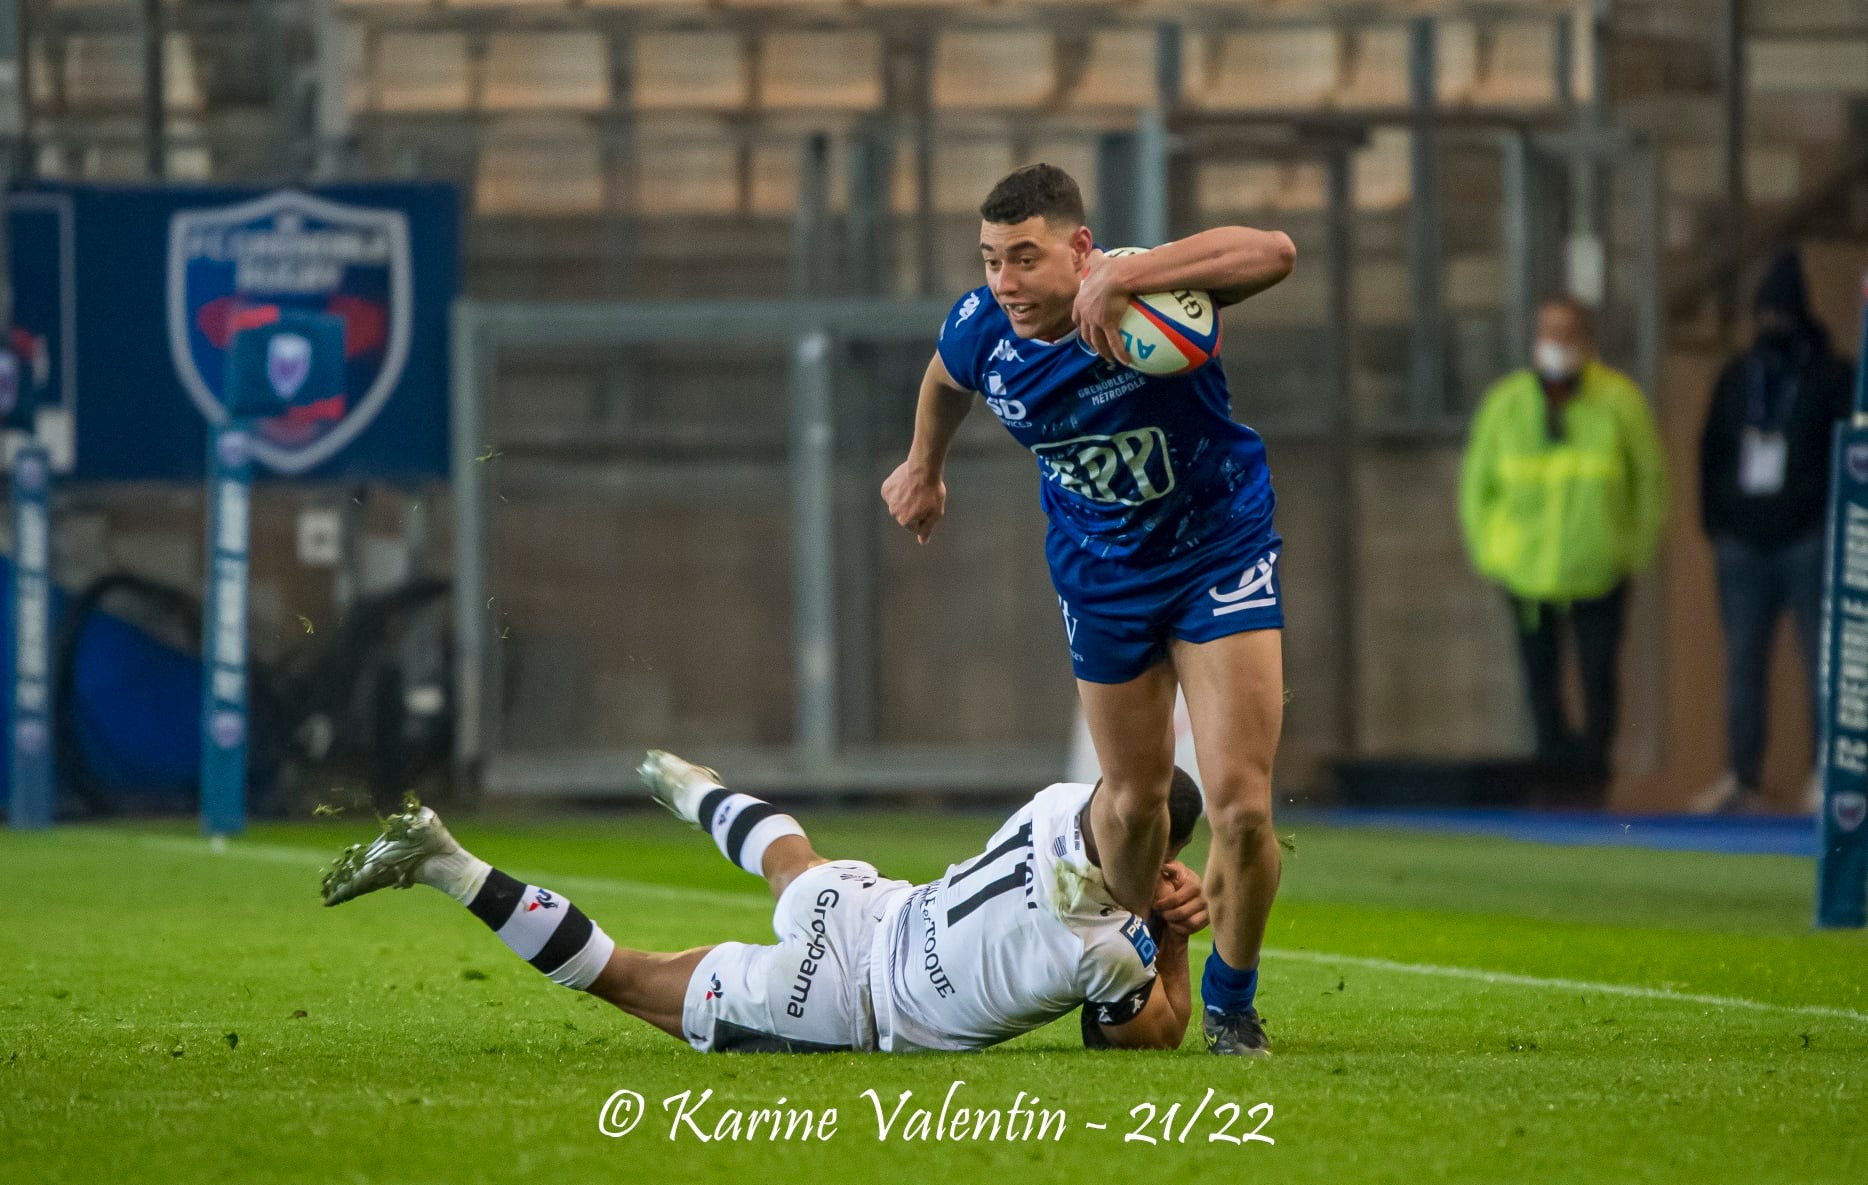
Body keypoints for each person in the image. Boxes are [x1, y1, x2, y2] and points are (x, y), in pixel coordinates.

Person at [879, 163, 1295, 1055]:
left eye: (1024, 258)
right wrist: (925, 467)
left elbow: (1275, 251)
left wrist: (1127, 277)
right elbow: (944, 380)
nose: (1005, 282)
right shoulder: (984, 326)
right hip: (1102, 577)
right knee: (1137, 802)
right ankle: (1129, 967)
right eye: (991, 260)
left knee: (1241, 806)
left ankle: (1230, 1001)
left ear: (1078, 247)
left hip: (1217, 550)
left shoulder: (1150, 290)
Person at [320, 751, 1211, 1054]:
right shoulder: (1108, 952)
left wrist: (1139, 899)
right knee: (628, 977)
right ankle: (445, 864)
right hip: (849, 1001)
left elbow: (1094, 857)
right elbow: (1145, 1037)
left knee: (794, 863)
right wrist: (1169, 938)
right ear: (1160, 854)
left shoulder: (1056, 799)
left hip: (877, 911)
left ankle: (694, 789)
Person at [1458, 297, 1668, 794]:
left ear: (1585, 341)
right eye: (1548, 332)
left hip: (1598, 566)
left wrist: (1630, 551)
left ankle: (1593, 775)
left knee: (1599, 676)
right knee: (1541, 681)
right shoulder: (1507, 404)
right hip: (1528, 571)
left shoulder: (1618, 401)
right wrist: (1494, 554)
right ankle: (1554, 773)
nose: (1555, 343)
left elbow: (1651, 482)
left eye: (1566, 332)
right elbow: (1476, 487)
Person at [1691, 250, 1856, 814]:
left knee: (1824, 664)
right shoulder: (1738, 377)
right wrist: (1719, 525)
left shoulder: (1833, 376)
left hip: (1810, 541)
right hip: (1744, 545)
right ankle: (1743, 777)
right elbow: (1710, 452)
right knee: (1744, 665)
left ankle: (1825, 774)